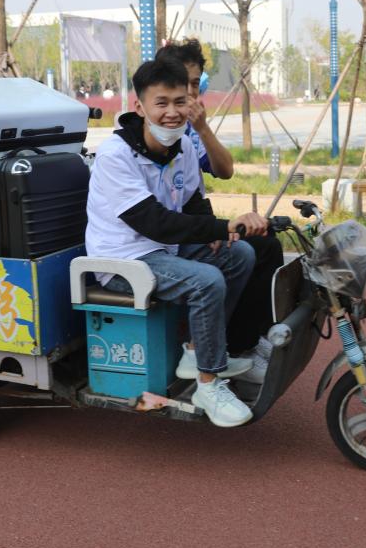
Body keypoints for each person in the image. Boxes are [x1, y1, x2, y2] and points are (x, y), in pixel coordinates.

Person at [86, 57, 268, 427]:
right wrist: (221, 227)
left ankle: (197, 352)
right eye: (162, 103)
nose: (172, 112)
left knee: (240, 255)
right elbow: (154, 223)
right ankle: (208, 384)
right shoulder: (115, 155)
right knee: (207, 280)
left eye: (180, 102)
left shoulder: (183, 145)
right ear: (139, 107)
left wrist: (216, 233)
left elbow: (193, 202)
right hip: (123, 261)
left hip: (162, 249)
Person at [155, 39, 285, 381]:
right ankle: (221, 352)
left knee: (264, 245)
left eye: (195, 83)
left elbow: (221, 172)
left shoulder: (186, 134)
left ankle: (243, 342)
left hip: (186, 228)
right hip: (162, 238)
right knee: (235, 256)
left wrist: (202, 128)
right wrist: (210, 229)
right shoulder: (151, 133)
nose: (190, 92)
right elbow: (153, 214)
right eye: (182, 83)